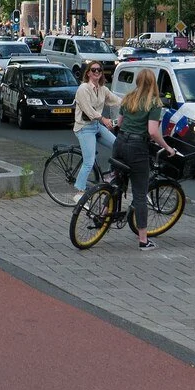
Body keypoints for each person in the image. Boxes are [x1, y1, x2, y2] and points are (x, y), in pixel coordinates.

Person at [114, 69, 177, 250]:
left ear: (137, 81)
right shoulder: (154, 103)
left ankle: (102, 213)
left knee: (117, 182)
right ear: (154, 83)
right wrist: (167, 148)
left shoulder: (128, 98)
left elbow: (119, 123)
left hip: (119, 143)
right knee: (140, 194)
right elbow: (152, 132)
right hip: (137, 148)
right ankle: (143, 240)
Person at [72, 62, 121, 202]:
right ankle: (80, 192)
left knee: (117, 145)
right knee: (89, 161)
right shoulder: (83, 89)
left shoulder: (102, 89)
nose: (97, 72)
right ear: (88, 73)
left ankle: (110, 174)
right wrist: (104, 120)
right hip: (84, 127)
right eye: (93, 70)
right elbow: (89, 111)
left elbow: (116, 100)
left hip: (96, 126)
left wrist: (132, 104)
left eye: (99, 70)